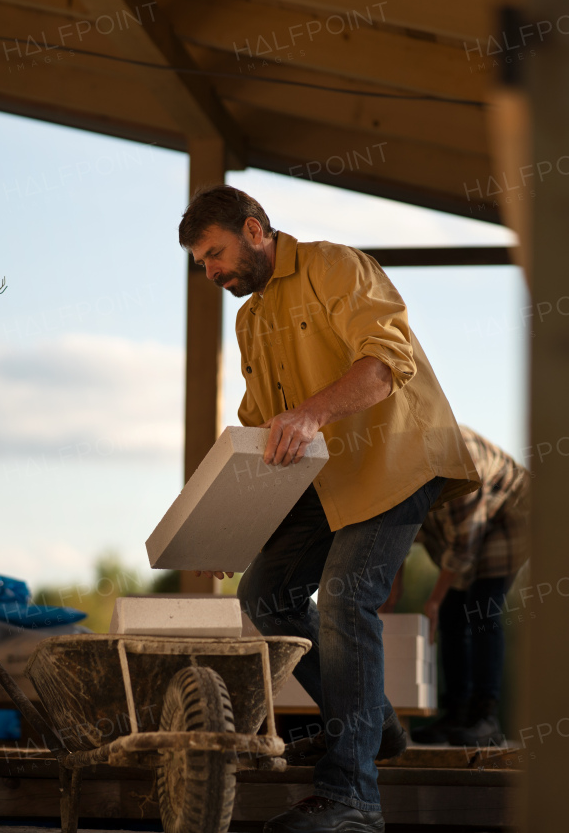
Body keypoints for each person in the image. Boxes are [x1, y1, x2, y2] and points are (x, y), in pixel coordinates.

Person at [179, 186, 479, 833]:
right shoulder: (250, 321)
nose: (210, 272)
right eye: (202, 263)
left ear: (255, 230)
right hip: (326, 475)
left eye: (215, 255)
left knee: (345, 593)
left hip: (397, 457)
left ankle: (351, 797)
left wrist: (313, 411)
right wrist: (225, 529)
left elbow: (386, 360)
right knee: (265, 595)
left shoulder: (336, 267)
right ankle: (376, 726)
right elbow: (261, 432)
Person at [388, 426, 529, 747]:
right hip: (474, 520)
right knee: (453, 616)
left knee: (482, 608)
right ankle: (457, 713)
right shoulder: (402, 469)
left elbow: (464, 546)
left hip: (510, 514)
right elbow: (399, 535)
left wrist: (434, 599)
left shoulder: (461, 468)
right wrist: (392, 591)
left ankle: (485, 718)